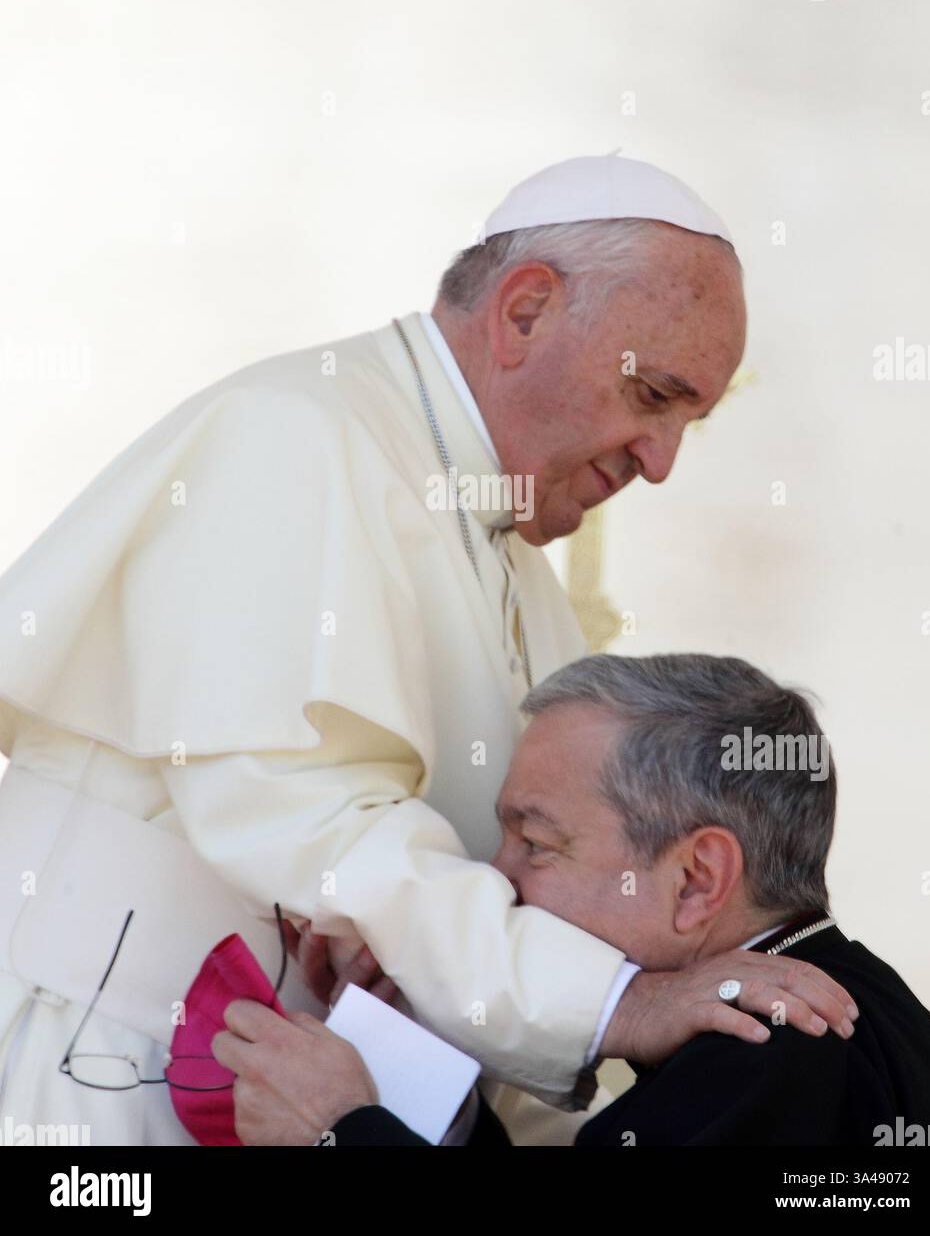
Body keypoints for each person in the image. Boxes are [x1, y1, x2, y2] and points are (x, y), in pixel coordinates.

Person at [0, 155, 851, 1146]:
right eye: (653, 396)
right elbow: (311, 822)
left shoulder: (524, 571)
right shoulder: (295, 439)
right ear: (525, 312)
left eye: (689, 423)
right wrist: (613, 1005)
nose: (660, 463)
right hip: (91, 1070)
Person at [215, 654, 930, 1147]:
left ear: (698, 878)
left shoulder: (766, 1047)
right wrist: (418, 1070)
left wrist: (336, 1129)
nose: (497, 879)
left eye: (536, 844)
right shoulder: (869, 1017)